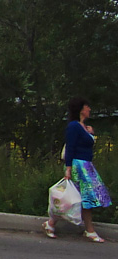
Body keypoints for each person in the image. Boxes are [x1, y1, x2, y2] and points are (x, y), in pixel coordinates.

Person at [45, 97, 111, 242]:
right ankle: (88, 230)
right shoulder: (74, 126)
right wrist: (68, 168)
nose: (90, 110)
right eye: (87, 107)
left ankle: (85, 229)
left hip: (86, 166)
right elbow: (71, 147)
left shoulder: (83, 127)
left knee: (83, 198)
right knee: (75, 198)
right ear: (81, 109)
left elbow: (86, 145)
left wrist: (91, 134)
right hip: (78, 166)